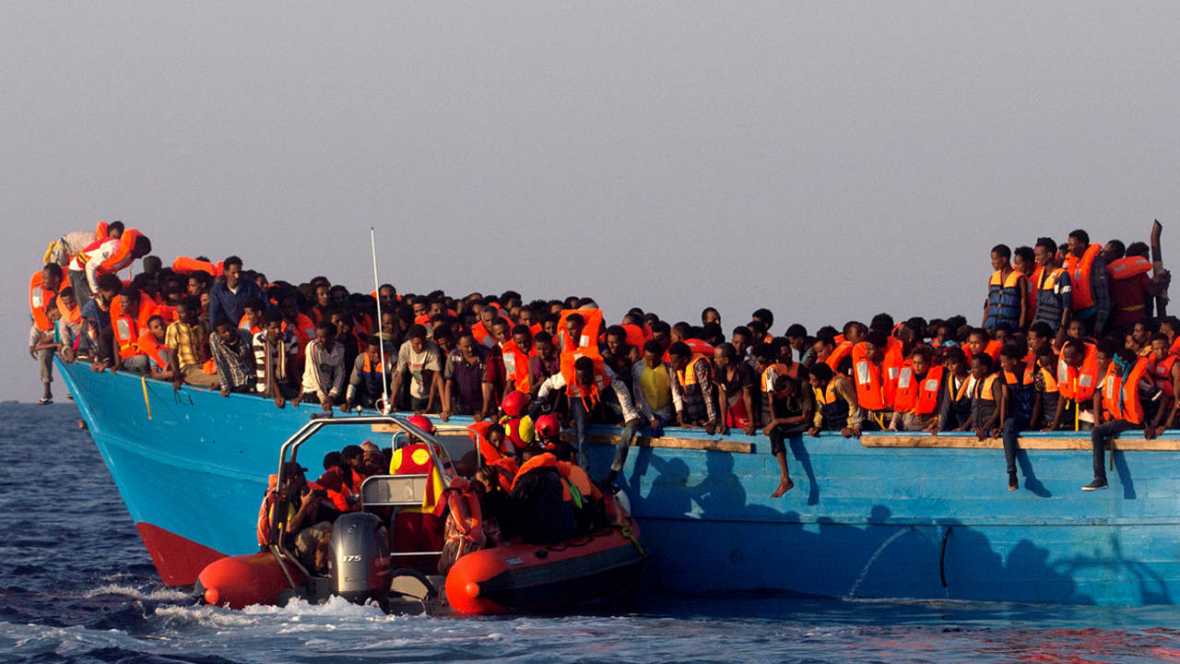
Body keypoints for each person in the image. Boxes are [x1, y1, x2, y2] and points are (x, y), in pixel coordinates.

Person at [536, 355, 641, 470]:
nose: (582, 381)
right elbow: (547, 385)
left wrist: (628, 413)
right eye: (580, 378)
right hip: (579, 397)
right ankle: (584, 469)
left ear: (592, 373)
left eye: (585, 379)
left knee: (621, 411)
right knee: (581, 433)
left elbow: (620, 388)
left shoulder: (605, 371)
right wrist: (540, 399)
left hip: (601, 393)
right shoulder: (567, 375)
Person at [1085, 349, 1169, 491]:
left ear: (1126, 366)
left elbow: (1162, 398)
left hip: (1136, 422)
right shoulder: (1120, 376)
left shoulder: (1139, 379)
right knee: (1099, 431)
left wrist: (1153, 424)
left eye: (1118, 365)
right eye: (1115, 365)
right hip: (1125, 419)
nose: (1115, 368)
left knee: (1097, 431)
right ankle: (1100, 478)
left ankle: (1100, 478)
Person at [67, 229, 151, 308]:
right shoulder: (113, 248)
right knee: (89, 305)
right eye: (141, 253)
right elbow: (90, 266)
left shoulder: (127, 257)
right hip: (79, 270)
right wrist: (95, 291)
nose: (140, 257)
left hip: (94, 274)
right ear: (136, 247)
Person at [764, 374, 813, 497]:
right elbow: (774, 420)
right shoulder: (785, 394)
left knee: (776, 427)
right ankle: (785, 478)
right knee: (775, 431)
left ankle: (786, 479)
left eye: (787, 392)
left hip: (806, 424)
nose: (788, 395)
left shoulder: (803, 386)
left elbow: (805, 418)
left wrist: (777, 422)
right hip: (792, 422)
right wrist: (771, 403)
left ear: (789, 385)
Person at [998, 346, 1035, 491]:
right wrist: (1001, 424)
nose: (1002, 365)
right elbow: (1004, 399)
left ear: (1014, 361)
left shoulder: (1033, 370)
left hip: (1033, 416)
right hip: (1016, 416)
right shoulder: (1003, 374)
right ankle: (1012, 473)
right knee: (1008, 426)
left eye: (1004, 362)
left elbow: (1038, 399)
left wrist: (1033, 422)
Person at [1064, 229, 1111, 336]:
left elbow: (1103, 295)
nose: (1069, 248)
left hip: (1093, 315)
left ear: (1082, 244)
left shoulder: (1096, 262)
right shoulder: (1072, 262)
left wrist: (1099, 324)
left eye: (1072, 245)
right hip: (1078, 316)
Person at [666, 341, 720, 433]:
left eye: (675, 362)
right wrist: (680, 417)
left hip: (705, 418)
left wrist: (712, 420)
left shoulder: (700, 364)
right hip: (690, 419)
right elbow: (677, 393)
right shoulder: (675, 369)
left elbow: (707, 392)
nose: (672, 365)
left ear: (685, 359)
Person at [166, 297, 219, 389]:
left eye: (182, 313)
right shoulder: (174, 328)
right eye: (178, 313)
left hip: (205, 365)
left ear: (193, 312)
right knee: (220, 380)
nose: (179, 316)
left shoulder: (204, 325)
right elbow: (172, 355)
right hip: (187, 369)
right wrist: (177, 376)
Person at [391, 324, 444, 413]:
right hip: (415, 393)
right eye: (416, 344)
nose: (420, 346)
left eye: (422, 343)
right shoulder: (405, 348)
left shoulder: (433, 350)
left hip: (433, 394)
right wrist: (392, 403)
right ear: (410, 341)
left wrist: (429, 407)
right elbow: (399, 376)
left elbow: (437, 379)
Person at [208, 256, 266, 329]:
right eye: (233, 273)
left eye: (239, 272)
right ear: (226, 272)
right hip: (228, 331)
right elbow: (214, 313)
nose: (237, 276)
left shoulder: (251, 287)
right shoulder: (217, 290)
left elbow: (264, 304)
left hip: (249, 328)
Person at [300, 321, 346, 412]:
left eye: (322, 337)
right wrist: (323, 398)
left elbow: (340, 373)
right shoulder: (312, 347)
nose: (319, 340)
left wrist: (333, 394)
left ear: (332, 337)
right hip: (312, 391)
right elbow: (315, 374)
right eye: (317, 337)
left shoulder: (340, 348)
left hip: (328, 391)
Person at [807, 363, 863, 437]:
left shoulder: (839, 383)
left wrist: (851, 427)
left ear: (823, 381)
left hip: (846, 425)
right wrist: (817, 426)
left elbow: (853, 404)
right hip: (832, 426)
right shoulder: (816, 389)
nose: (810, 382)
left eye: (813, 380)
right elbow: (819, 409)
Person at [631, 339, 675, 434]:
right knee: (632, 426)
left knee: (655, 431)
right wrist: (651, 418)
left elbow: (675, 393)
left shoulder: (669, 368)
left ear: (660, 356)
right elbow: (639, 397)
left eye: (654, 360)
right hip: (643, 412)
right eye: (648, 359)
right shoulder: (637, 368)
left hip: (663, 414)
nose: (651, 363)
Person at [714, 343, 757, 435]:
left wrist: (752, 423)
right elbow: (722, 397)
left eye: (717, 358)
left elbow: (748, 397)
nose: (715, 360)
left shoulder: (744, 369)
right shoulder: (719, 370)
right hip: (732, 411)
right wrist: (723, 423)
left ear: (726, 360)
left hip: (746, 412)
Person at [442, 333, 487, 420]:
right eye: (466, 346)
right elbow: (448, 383)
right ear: (459, 346)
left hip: (480, 403)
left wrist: (484, 411)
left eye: (472, 345)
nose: (470, 349)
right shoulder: (453, 356)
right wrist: (447, 409)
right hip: (459, 404)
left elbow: (486, 385)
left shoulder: (484, 356)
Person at [345, 336, 394, 411]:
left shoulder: (389, 362)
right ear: (367, 351)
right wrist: (349, 399)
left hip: (384, 399)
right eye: (373, 352)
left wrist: (392, 402)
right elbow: (353, 384)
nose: (377, 355)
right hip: (365, 397)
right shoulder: (361, 359)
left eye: (379, 352)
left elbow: (394, 385)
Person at [984, 244, 1026, 332]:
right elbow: (989, 305)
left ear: (1004, 259)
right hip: (991, 326)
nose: (992, 262)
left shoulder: (1019, 278)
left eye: (994, 259)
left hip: (1010, 327)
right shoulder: (992, 278)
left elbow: (1023, 305)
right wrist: (983, 327)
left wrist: (1021, 328)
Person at [209, 319, 256, 396]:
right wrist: (224, 385)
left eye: (229, 329)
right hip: (234, 380)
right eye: (224, 332)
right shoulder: (214, 339)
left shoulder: (245, 334)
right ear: (218, 334)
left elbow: (253, 356)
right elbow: (220, 363)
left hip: (250, 376)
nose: (228, 333)